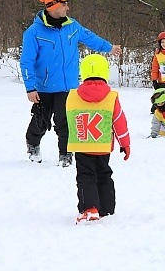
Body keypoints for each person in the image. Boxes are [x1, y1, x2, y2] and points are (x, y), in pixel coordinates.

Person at [20, 0, 122, 167]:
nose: (68, 8)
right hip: (43, 88)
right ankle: (33, 144)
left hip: (68, 88)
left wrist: (109, 48)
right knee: (40, 122)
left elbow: (90, 38)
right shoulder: (34, 32)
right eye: (64, 4)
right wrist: (30, 88)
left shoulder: (72, 26)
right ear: (53, 6)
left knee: (65, 123)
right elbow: (26, 62)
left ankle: (65, 154)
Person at [66, 54, 130, 223]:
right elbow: (119, 122)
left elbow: (66, 121)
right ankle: (107, 208)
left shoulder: (72, 96)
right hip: (102, 146)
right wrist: (125, 144)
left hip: (81, 144)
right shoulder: (111, 97)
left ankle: (90, 208)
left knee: (85, 176)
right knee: (104, 175)